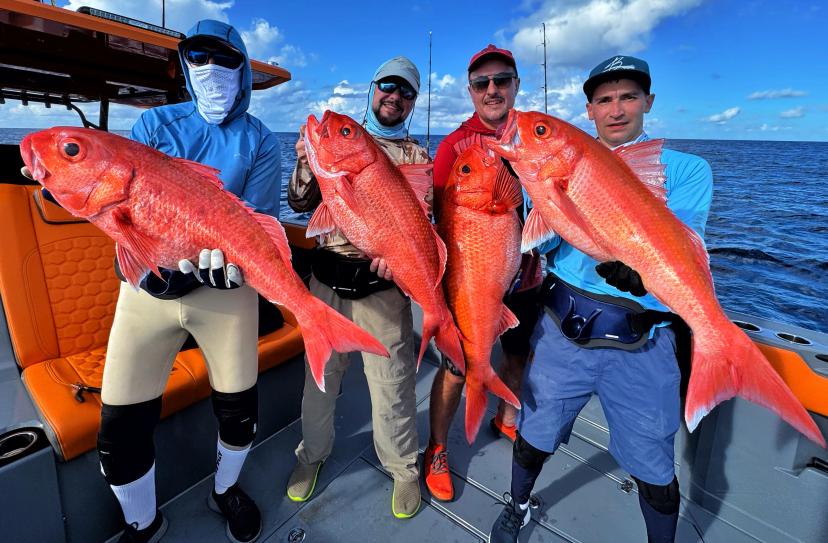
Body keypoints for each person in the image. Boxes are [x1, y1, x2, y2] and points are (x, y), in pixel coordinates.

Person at [488, 55, 713, 543]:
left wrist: (641, 274)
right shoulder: (560, 159)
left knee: (653, 459)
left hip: (644, 336)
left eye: (629, 96)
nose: (617, 109)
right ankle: (519, 504)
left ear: (648, 102)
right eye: (604, 99)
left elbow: (687, 243)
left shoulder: (685, 169)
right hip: (562, 325)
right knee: (534, 431)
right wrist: (535, 189)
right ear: (588, 110)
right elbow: (542, 241)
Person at [95, 20, 281, 543]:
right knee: (119, 426)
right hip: (147, 288)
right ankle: (142, 521)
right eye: (197, 58)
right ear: (184, 66)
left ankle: (224, 491)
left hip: (224, 292)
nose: (211, 70)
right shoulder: (155, 126)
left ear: (243, 69)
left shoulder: (261, 140)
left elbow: (260, 219)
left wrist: (234, 269)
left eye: (224, 59)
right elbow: (130, 207)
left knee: (241, 413)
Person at [285, 56, 430, 519]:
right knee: (319, 383)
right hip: (326, 282)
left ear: (413, 103)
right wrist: (309, 161)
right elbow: (299, 202)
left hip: (381, 291)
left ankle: (404, 467)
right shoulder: (335, 139)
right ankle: (311, 456)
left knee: (393, 387)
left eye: (406, 91)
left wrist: (402, 263)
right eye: (388, 85)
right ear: (372, 89)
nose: (395, 96)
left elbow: (421, 225)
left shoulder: (416, 157)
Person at [424, 44, 541, 503]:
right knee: (458, 366)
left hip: (527, 279)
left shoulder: (534, 135)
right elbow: (437, 223)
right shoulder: (454, 146)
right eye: (482, 83)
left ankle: (504, 418)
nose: (492, 90)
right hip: (473, 278)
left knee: (517, 356)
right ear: (470, 90)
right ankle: (436, 448)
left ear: (515, 84)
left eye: (502, 80)